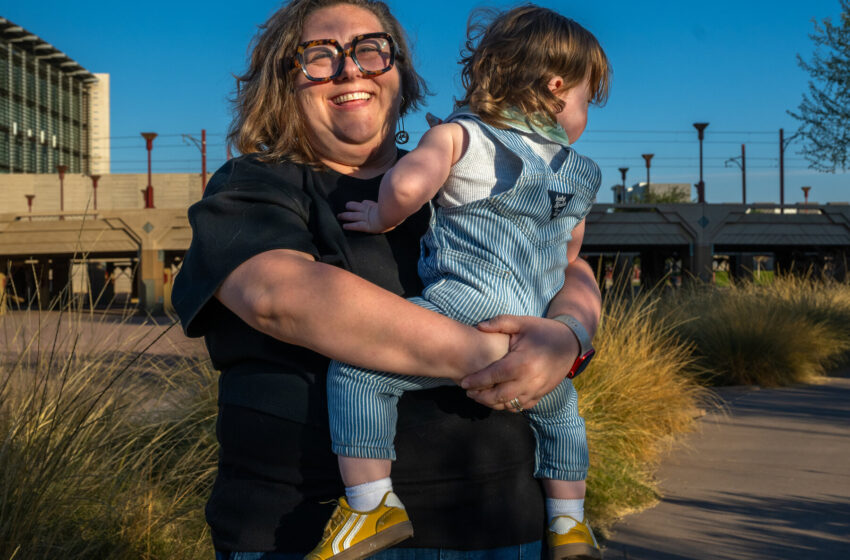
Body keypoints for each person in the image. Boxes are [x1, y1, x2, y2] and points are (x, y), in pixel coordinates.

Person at [171, 0, 602, 558]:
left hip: (499, 523)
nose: (351, 70)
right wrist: (498, 359)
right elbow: (280, 296)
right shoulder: (252, 186)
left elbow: (569, 265)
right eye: (320, 57)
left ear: (400, 72)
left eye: (372, 51)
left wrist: (567, 337)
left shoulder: (459, 175)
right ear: (283, 83)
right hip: (303, 528)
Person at [314, 5, 609, 560]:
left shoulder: (460, 137)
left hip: (466, 304)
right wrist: (560, 328)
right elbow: (572, 255)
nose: (584, 112)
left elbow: (405, 188)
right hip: (534, 328)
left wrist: (382, 217)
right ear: (556, 88)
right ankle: (569, 521)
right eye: (587, 98)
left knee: (356, 371)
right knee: (562, 411)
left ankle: (370, 502)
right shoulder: (582, 173)